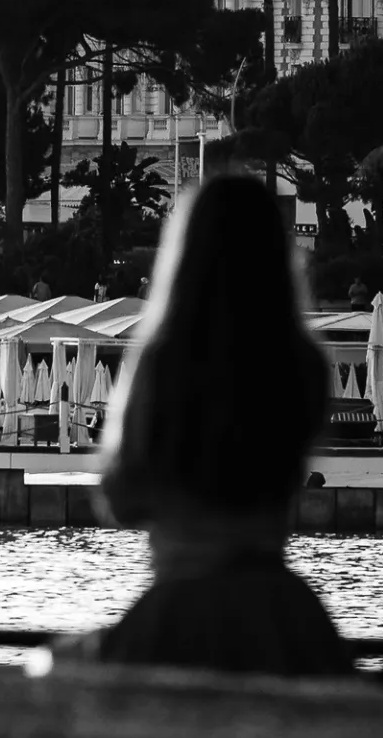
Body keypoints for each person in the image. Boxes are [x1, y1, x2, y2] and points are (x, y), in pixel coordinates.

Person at [77, 174, 346, 676]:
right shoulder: (301, 363)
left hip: (177, 611)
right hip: (279, 617)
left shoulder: (161, 361)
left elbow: (121, 494)